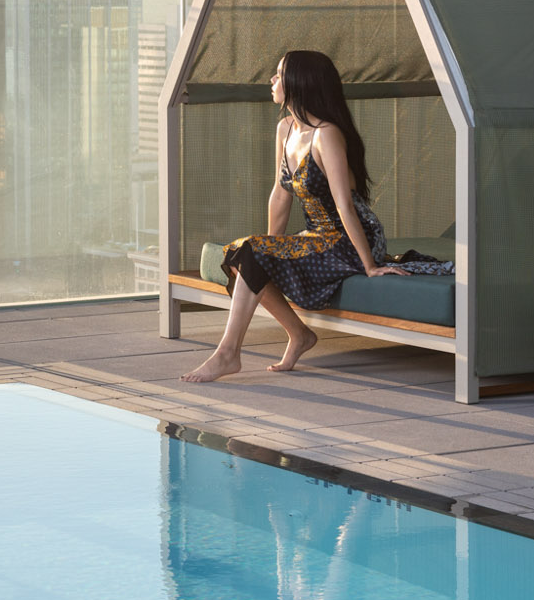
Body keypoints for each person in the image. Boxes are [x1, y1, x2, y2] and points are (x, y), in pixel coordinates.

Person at [181, 49, 451, 384]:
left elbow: (344, 206)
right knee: (244, 254)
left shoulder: (327, 134)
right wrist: (271, 247)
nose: (272, 80)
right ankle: (299, 335)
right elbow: (281, 194)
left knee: (253, 252)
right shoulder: (286, 128)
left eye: (279, 74)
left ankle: (227, 354)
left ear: (299, 82)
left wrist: (369, 264)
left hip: (351, 238)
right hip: (317, 234)